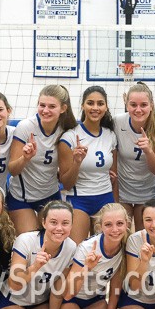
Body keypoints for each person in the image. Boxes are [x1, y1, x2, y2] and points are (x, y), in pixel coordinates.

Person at [0, 200, 76, 309]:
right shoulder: (26, 240)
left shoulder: (71, 247)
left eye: (65, 223)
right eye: (53, 222)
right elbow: (14, 284)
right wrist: (35, 266)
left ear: (71, 225)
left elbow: (58, 289)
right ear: (43, 222)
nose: (59, 228)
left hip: (39, 302)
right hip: (14, 299)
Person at [58, 202, 130, 309]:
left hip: (95, 300)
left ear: (127, 224)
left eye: (120, 224)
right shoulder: (87, 249)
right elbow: (68, 293)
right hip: (70, 302)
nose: (115, 229)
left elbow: (116, 287)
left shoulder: (125, 246)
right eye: (108, 225)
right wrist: (86, 269)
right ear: (100, 226)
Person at [8, 85, 78, 234]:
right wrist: (25, 159)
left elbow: (67, 180)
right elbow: (12, 170)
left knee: (55, 238)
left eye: (52, 106)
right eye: (42, 105)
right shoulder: (26, 127)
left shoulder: (67, 130)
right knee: (30, 239)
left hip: (50, 195)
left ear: (63, 108)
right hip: (21, 197)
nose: (45, 110)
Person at [58, 86, 117, 243]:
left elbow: (114, 176)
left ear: (106, 107)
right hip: (79, 200)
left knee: (106, 252)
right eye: (90, 103)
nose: (95, 108)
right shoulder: (69, 137)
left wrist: (116, 206)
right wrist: (77, 162)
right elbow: (66, 183)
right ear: (83, 106)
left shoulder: (110, 135)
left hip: (105, 198)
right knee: (76, 251)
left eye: (100, 103)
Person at [113, 83, 155, 230]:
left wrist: (149, 151)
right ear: (126, 105)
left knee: (142, 237)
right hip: (122, 190)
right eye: (133, 105)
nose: (138, 110)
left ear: (151, 105)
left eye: (143, 105)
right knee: (120, 234)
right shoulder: (117, 122)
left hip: (147, 192)